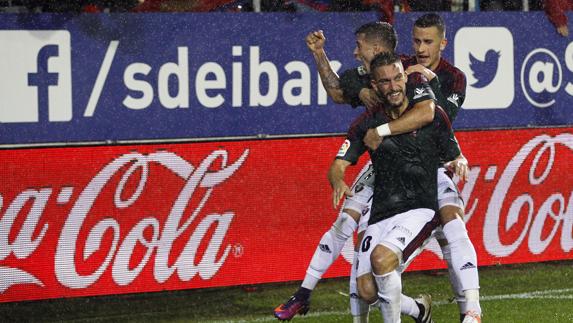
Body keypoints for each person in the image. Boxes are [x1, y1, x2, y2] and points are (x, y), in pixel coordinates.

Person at [275, 14, 482, 323]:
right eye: (416, 40)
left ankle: (471, 312)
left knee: (452, 224)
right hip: (384, 165)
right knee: (349, 226)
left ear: (442, 42)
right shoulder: (395, 70)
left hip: (430, 164)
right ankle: (307, 293)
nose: (421, 48)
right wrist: (333, 66)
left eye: (428, 41)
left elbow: (428, 114)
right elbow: (339, 88)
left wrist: (384, 128)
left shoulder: (444, 78)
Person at [337, 51, 461, 322]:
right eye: (385, 82)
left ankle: (470, 306)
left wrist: (457, 157)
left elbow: (437, 125)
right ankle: (419, 310)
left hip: (419, 208)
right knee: (366, 290)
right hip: (382, 212)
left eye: (397, 78)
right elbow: (339, 162)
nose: (393, 86)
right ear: (374, 85)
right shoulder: (367, 121)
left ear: (406, 77)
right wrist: (337, 178)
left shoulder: (427, 112)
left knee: (381, 260)